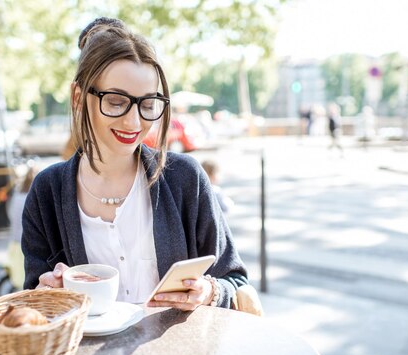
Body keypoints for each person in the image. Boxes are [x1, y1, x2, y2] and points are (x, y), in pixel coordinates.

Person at [22, 17, 248, 311]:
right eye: (116, 101)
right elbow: (32, 301)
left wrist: (209, 291)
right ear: (78, 98)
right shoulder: (47, 192)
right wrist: (44, 295)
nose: (134, 121)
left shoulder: (185, 179)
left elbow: (234, 281)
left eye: (147, 104)